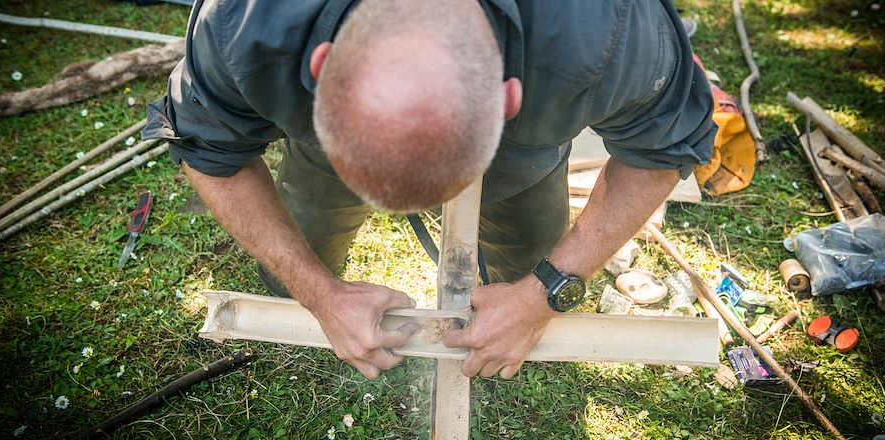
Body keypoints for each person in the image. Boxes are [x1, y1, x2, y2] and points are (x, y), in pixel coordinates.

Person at [144, 0, 716, 380]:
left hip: (523, 160)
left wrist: (546, 291)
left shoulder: (610, 31)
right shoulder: (242, 22)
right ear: (320, 64)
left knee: (528, 260)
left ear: (509, 98)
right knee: (296, 262)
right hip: (320, 152)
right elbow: (209, 151)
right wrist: (318, 293)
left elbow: (661, 154)